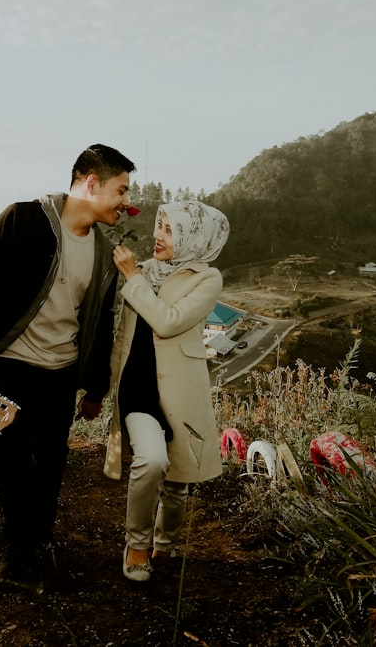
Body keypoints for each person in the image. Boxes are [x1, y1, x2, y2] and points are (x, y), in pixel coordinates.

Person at [0, 144, 136, 592]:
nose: (126, 203)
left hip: (62, 371)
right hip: (12, 366)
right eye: (121, 190)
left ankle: (40, 539)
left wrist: (93, 388)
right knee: (13, 458)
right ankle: (18, 556)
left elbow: (99, 325)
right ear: (91, 182)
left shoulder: (104, 252)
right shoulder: (23, 220)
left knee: (52, 461)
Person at [103, 200, 230, 582]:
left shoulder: (207, 278)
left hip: (181, 389)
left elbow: (168, 322)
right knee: (153, 460)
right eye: (159, 226)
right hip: (137, 386)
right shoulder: (141, 272)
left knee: (178, 479)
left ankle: (165, 543)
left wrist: (133, 280)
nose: (157, 236)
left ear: (194, 237)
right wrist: (101, 389)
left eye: (169, 229)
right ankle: (137, 545)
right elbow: (122, 336)